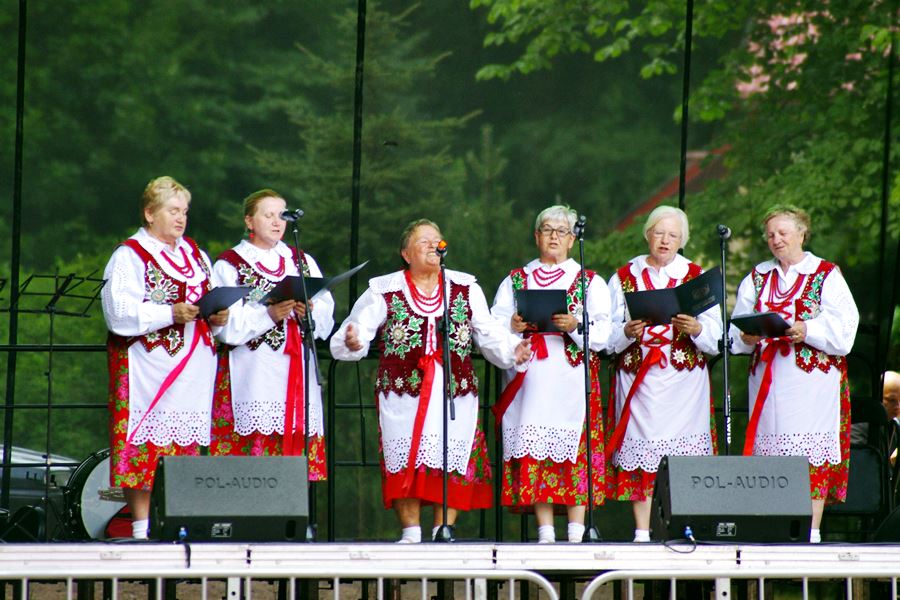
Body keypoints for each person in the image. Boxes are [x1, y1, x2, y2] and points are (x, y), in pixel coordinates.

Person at [330, 219, 532, 543]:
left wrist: (513, 350)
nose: (432, 245)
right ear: (405, 253)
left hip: (455, 393)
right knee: (404, 456)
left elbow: (489, 333)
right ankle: (411, 533)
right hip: (403, 393)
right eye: (423, 241)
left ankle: (443, 530)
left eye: (436, 240)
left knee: (453, 456)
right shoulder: (384, 289)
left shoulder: (465, 288)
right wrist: (353, 341)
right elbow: (358, 328)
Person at [101, 176, 228, 539]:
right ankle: (141, 526)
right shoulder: (130, 255)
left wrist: (218, 316)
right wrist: (169, 313)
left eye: (184, 211)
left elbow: (207, 301)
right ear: (149, 213)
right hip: (147, 367)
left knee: (183, 445)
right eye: (173, 210)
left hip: (192, 368)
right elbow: (118, 313)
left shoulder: (196, 255)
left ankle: (179, 523)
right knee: (144, 444)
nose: (181, 218)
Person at [730, 204, 858, 544]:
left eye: (783, 232)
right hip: (769, 383)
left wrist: (808, 329)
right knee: (771, 458)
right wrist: (746, 337)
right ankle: (771, 532)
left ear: (802, 233)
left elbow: (846, 329)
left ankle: (810, 533)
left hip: (811, 385)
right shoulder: (757, 276)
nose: (776, 239)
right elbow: (736, 329)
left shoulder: (825, 274)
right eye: (771, 234)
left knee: (809, 456)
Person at [491, 205, 611, 544]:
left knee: (574, 450)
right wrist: (512, 325)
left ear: (572, 240)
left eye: (562, 231)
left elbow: (603, 333)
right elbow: (492, 326)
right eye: (547, 229)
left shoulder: (589, 280)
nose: (554, 236)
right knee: (536, 451)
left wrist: (575, 324)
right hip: (531, 377)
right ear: (536, 236)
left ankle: (576, 531)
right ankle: (545, 531)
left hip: (571, 378)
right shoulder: (516, 279)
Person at [606, 205, 721, 543]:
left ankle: (686, 529)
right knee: (641, 451)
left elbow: (717, 337)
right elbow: (604, 335)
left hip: (683, 382)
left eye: (673, 235)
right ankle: (642, 531)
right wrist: (626, 331)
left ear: (682, 240)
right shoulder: (624, 276)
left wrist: (697, 328)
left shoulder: (696, 276)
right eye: (659, 233)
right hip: (638, 379)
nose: (665, 240)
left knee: (683, 457)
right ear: (648, 235)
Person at [209, 190, 334, 479]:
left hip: (296, 370)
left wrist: (310, 310)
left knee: (296, 453)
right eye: (268, 215)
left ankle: (294, 507)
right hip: (253, 373)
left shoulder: (301, 260)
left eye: (282, 215)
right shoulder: (230, 263)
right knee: (252, 460)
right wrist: (269, 315)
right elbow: (225, 325)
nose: (277, 222)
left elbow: (327, 312)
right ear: (249, 221)